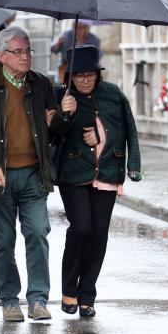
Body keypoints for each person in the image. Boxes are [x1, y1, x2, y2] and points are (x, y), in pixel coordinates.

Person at [0, 25, 76, 322]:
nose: (26, 57)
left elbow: (53, 132)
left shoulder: (40, 85)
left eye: (28, 51)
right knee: (2, 241)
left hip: (33, 174)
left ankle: (39, 299)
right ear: (2, 55)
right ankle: (8, 300)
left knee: (38, 232)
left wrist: (64, 115)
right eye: (18, 52)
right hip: (0, 177)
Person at [55, 45, 142, 318]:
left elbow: (129, 130)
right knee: (81, 228)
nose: (84, 80)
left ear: (97, 74)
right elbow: (51, 136)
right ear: (70, 76)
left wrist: (133, 165)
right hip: (73, 173)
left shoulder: (114, 94)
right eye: (78, 75)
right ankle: (69, 288)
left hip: (107, 171)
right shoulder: (62, 95)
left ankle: (87, 295)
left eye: (89, 74)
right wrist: (64, 114)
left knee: (99, 233)